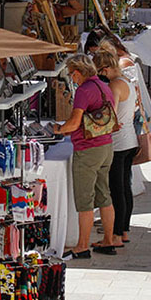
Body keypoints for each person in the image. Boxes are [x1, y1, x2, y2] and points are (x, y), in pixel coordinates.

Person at [53, 54, 117, 258]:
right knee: (104, 195)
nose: (71, 78)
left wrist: (58, 129)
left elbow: (74, 122)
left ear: (78, 72)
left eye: (72, 74)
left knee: (85, 200)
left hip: (88, 149)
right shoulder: (104, 86)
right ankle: (108, 241)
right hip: (106, 146)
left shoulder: (83, 90)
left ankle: (82, 245)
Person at [93, 50, 139, 246]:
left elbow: (108, 115)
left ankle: (116, 235)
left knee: (116, 189)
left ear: (105, 69)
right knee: (125, 188)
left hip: (118, 143)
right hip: (130, 141)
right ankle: (124, 230)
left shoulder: (114, 85)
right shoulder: (128, 81)